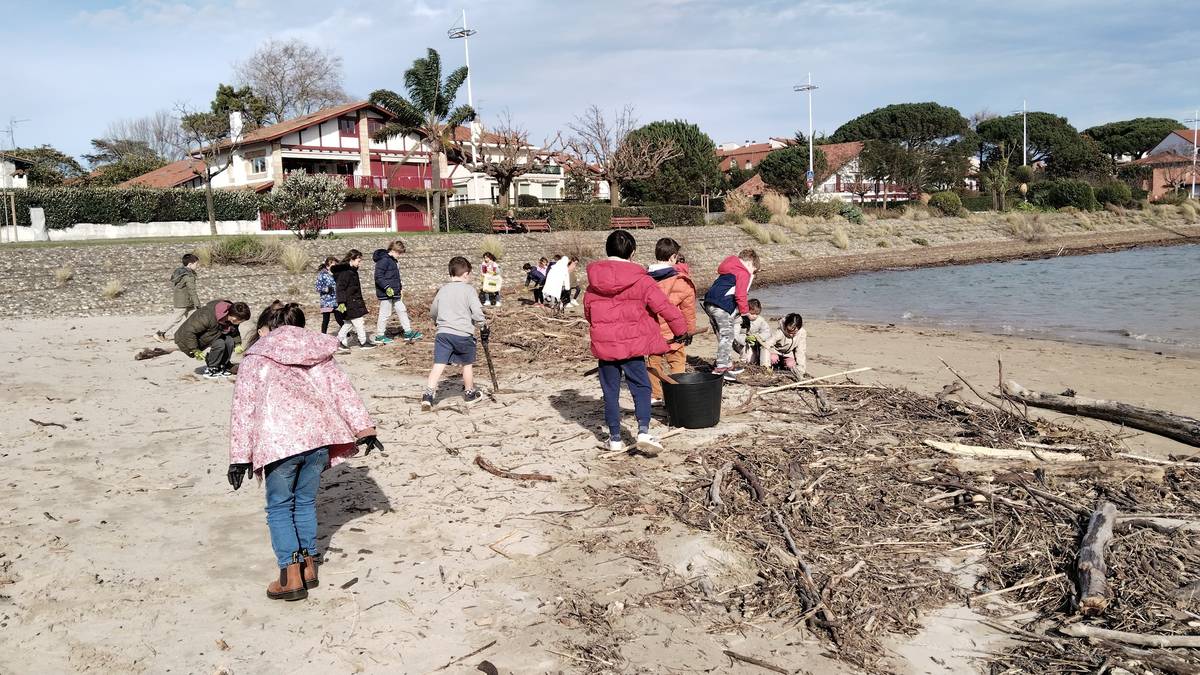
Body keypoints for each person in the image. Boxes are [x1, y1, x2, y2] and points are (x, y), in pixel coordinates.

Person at [227, 301, 383, 602]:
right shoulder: (318, 353)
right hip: (318, 440)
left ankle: (290, 576)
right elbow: (342, 390)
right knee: (305, 503)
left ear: (265, 328)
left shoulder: (256, 357)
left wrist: (239, 457)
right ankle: (309, 567)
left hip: (278, 443)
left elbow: (244, 409)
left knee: (279, 507)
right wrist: (365, 429)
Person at [585, 230, 688, 457]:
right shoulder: (642, 280)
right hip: (632, 346)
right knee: (641, 387)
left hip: (606, 346)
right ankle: (643, 431)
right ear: (632, 253)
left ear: (607, 250)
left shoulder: (594, 283)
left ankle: (614, 438)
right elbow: (665, 308)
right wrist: (682, 330)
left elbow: (588, 312)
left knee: (610, 392)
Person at [422, 256, 488, 411]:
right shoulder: (469, 290)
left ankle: (428, 395)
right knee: (467, 364)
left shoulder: (443, 290)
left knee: (438, 364)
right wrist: (482, 325)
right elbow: (477, 312)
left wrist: (436, 322)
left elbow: (433, 311)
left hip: (443, 333)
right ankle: (470, 393)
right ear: (465, 274)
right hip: (463, 334)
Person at [646, 237, 696, 406]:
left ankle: (656, 395)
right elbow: (688, 310)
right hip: (675, 331)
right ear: (674, 257)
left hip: (653, 331)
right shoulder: (682, 282)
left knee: (654, 362)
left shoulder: (645, 279)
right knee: (677, 361)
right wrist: (689, 331)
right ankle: (677, 392)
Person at [702, 248, 759, 382]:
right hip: (720, 306)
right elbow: (741, 295)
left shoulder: (730, 268)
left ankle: (727, 365)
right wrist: (746, 313)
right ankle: (721, 368)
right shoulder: (743, 272)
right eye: (754, 271)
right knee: (726, 335)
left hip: (710, 303)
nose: (753, 274)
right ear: (750, 263)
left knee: (728, 333)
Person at [174, 298, 251, 378]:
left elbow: (234, 331)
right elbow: (189, 331)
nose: (240, 322)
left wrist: (237, 344)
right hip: (187, 337)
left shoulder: (234, 319)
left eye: (242, 321)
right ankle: (212, 368)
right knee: (220, 344)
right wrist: (195, 349)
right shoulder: (207, 316)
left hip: (213, 333)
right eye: (240, 320)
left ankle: (223, 365)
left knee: (229, 341)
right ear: (231, 314)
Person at [372, 240, 422, 344]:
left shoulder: (393, 261)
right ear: (393, 250)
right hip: (386, 293)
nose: (400, 255)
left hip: (395, 292)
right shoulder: (383, 261)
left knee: (402, 310)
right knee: (385, 313)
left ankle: (408, 332)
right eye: (399, 253)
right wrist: (387, 287)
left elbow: (395, 277)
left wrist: (399, 287)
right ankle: (380, 335)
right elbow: (378, 277)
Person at [331, 249, 376, 351]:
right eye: (359, 261)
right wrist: (341, 302)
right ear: (351, 259)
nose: (360, 263)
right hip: (349, 302)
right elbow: (340, 288)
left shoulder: (352, 271)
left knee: (349, 323)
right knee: (359, 322)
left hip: (354, 301)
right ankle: (363, 342)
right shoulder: (346, 272)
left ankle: (337, 341)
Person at [155, 253, 201, 341]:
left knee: (194, 317)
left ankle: (197, 335)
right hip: (183, 301)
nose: (197, 266)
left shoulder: (181, 271)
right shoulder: (188, 275)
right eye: (196, 264)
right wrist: (198, 304)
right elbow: (192, 291)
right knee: (176, 318)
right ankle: (160, 333)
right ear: (190, 264)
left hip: (184, 300)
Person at [765, 313, 808, 379]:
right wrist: (765, 364)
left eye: (794, 333)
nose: (791, 335)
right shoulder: (780, 332)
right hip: (775, 352)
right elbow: (767, 344)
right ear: (785, 325)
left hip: (788, 354)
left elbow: (801, 351)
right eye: (789, 331)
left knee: (791, 364)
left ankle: (783, 368)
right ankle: (774, 367)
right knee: (773, 358)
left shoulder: (802, 333)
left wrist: (801, 369)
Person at [734, 299, 774, 366]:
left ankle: (762, 362)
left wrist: (758, 337)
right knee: (748, 360)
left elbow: (767, 332)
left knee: (755, 359)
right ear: (746, 311)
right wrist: (746, 339)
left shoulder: (760, 320)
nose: (754, 316)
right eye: (752, 313)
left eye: (757, 314)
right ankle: (743, 363)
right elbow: (735, 335)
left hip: (755, 343)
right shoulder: (739, 319)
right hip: (741, 344)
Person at [315, 256, 341, 335]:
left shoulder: (338, 274)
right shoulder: (322, 275)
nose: (335, 268)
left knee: (340, 318)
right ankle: (323, 336)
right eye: (333, 266)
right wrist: (326, 289)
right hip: (326, 302)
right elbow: (317, 288)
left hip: (338, 301)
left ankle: (347, 335)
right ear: (327, 266)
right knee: (326, 320)